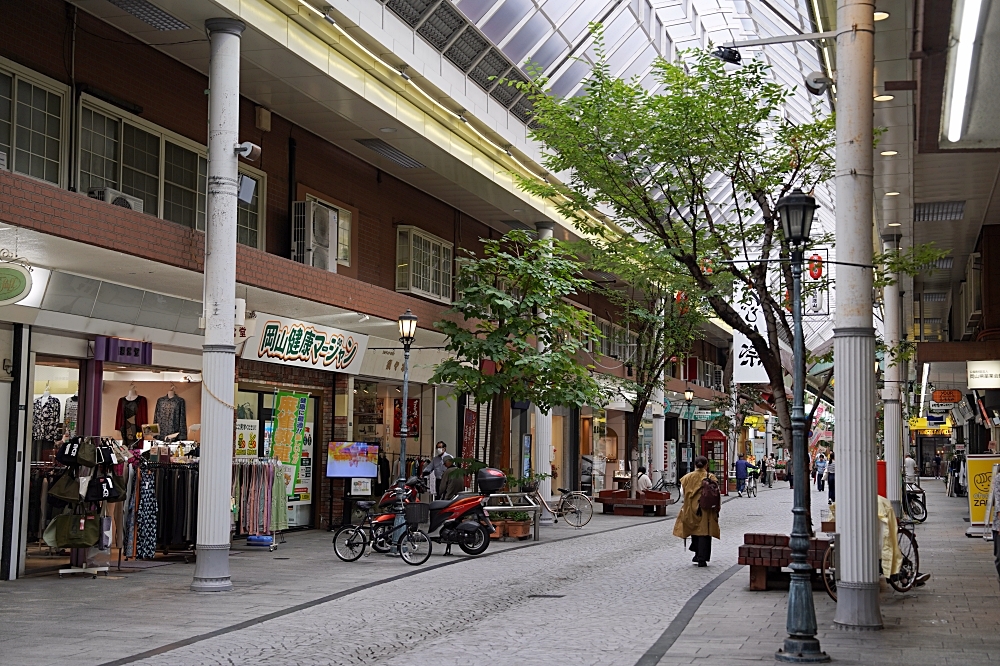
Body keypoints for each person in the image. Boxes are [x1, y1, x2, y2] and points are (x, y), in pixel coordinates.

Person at [673, 456, 720, 567]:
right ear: (706, 465)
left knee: (694, 530)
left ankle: (696, 554)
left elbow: (682, 493)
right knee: (705, 532)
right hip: (706, 509)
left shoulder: (686, 478)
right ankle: (702, 558)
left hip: (690, 508)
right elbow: (716, 495)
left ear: (695, 465)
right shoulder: (711, 477)